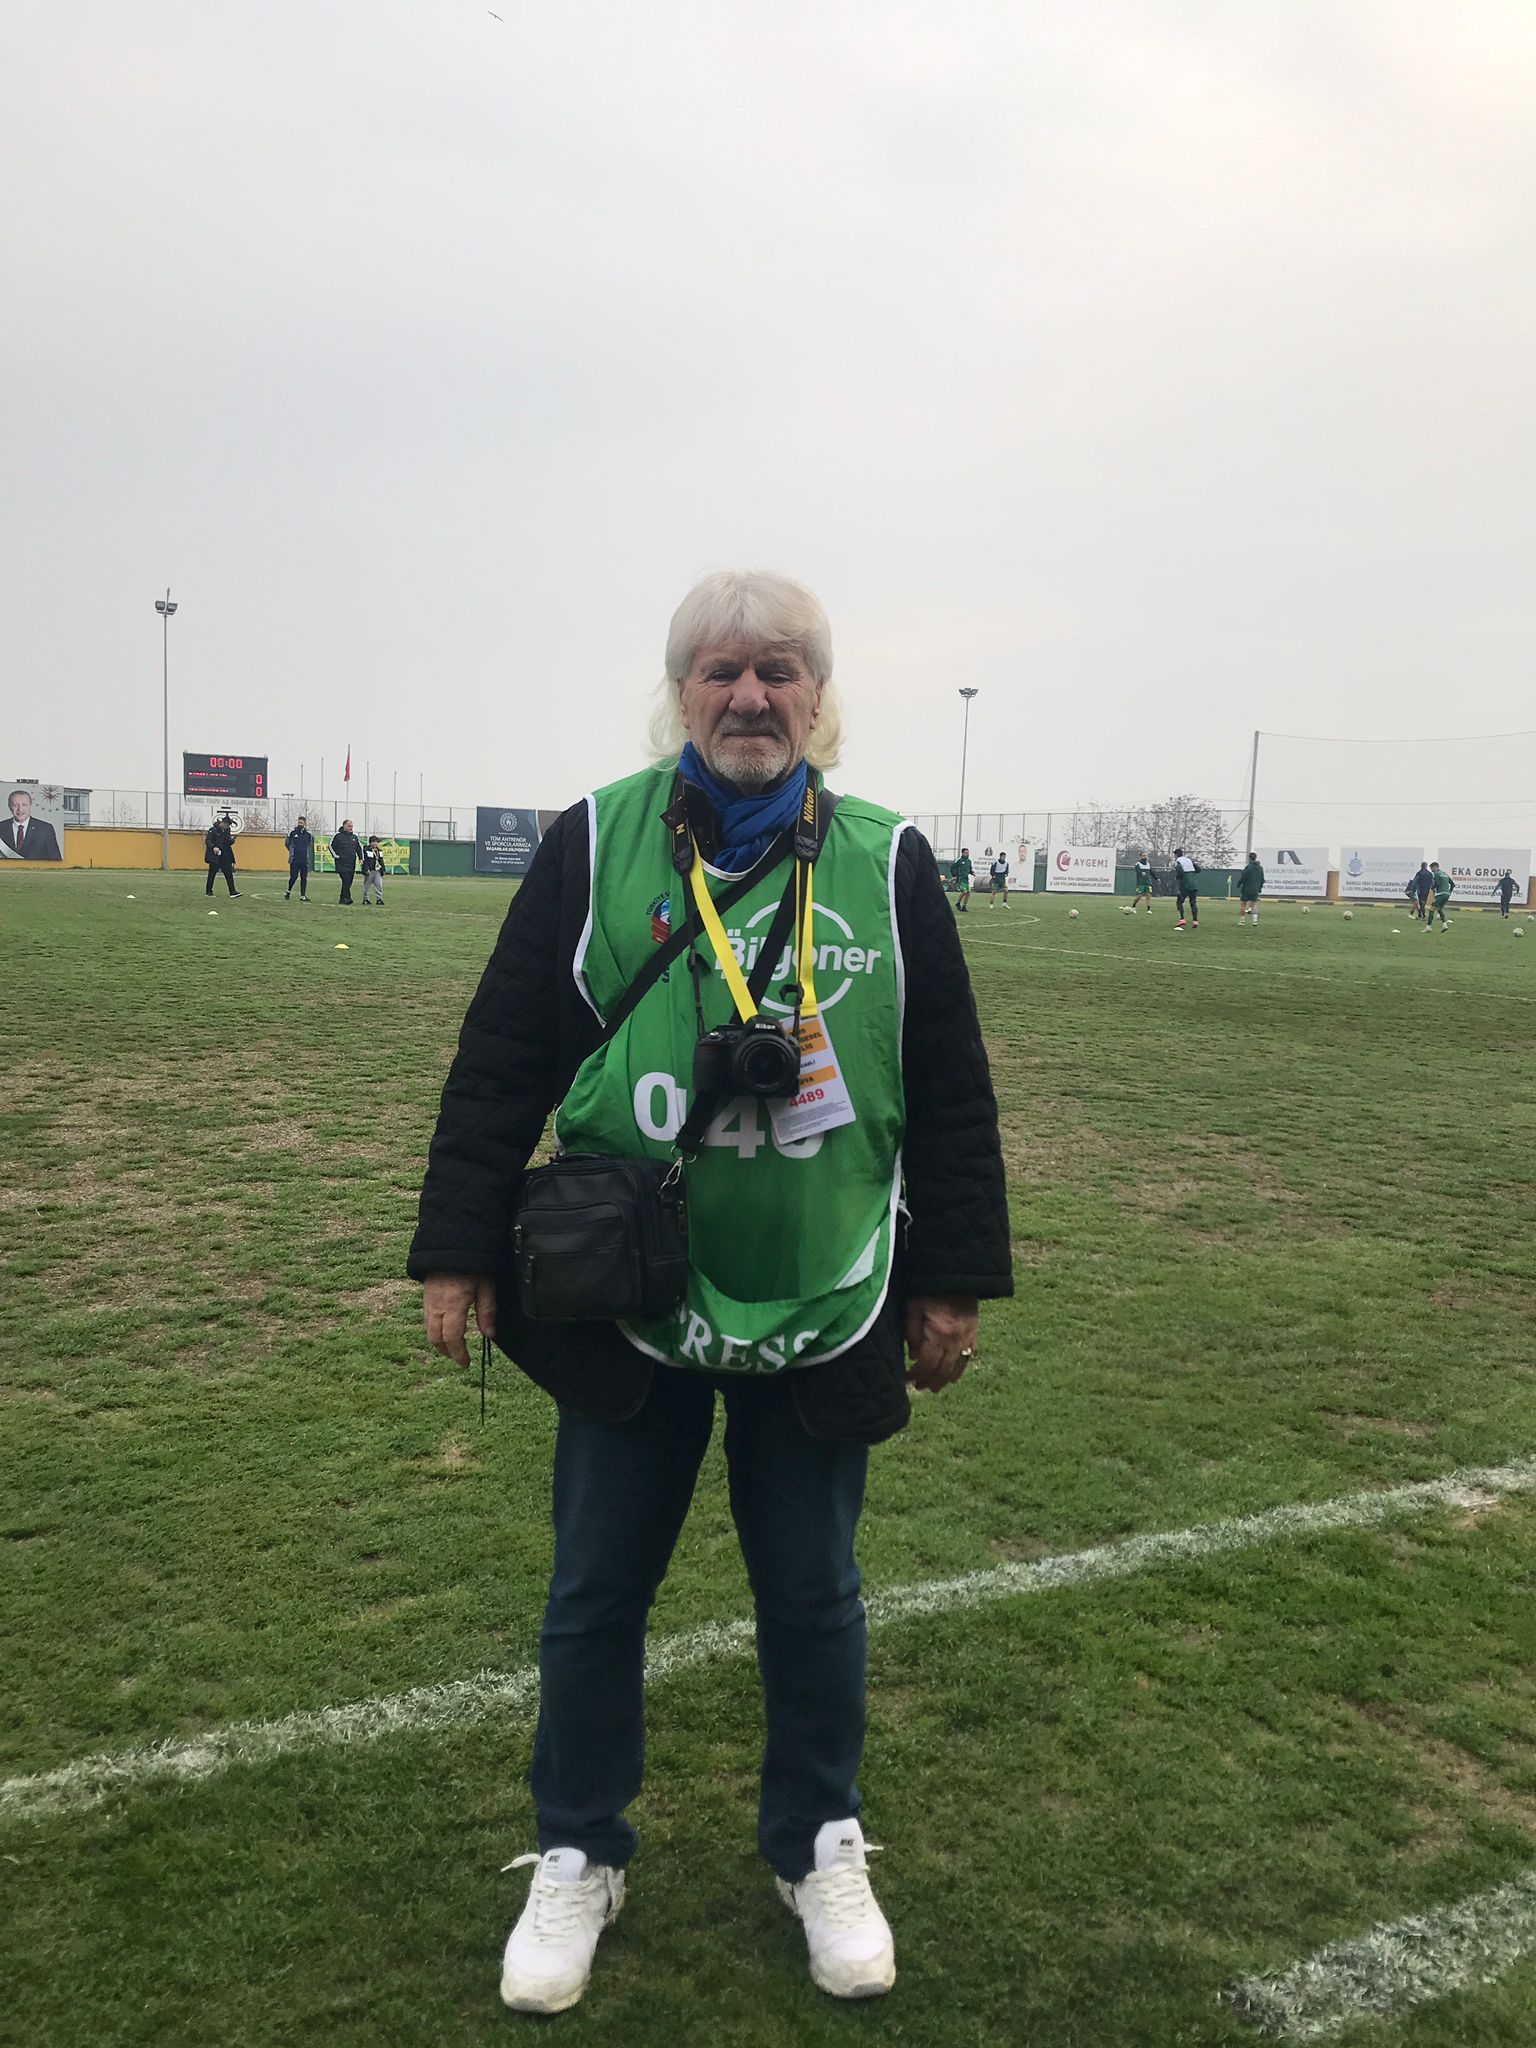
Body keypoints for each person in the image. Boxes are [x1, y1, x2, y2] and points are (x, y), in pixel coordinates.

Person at [409, 570, 1011, 2016]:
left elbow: (948, 1084)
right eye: (723, 670)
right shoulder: (596, 839)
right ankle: (579, 1848)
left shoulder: (886, 858)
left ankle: (818, 1842)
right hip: (631, 1289)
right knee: (595, 1589)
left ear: (820, 697)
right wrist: (457, 1246)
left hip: (825, 1285)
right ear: (682, 692)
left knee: (812, 1590)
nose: (752, 696)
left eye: (780, 670)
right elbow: (501, 1056)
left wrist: (952, 1278)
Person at [0, 788, 63, 861]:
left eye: (24, 805)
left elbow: (55, 859)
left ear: (30, 805)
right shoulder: (1, 827)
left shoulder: (45, 829)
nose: (20, 809)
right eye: (15, 805)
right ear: (9, 806)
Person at [204, 815, 239, 897]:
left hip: (225, 856)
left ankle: (233, 892)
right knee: (212, 874)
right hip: (215, 856)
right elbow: (208, 840)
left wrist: (232, 841)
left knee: (229, 873)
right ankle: (208, 892)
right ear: (222, 823)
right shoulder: (213, 830)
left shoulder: (227, 831)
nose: (227, 827)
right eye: (227, 825)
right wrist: (214, 847)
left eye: (228, 826)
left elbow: (227, 842)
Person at [330, 818, 362, 904]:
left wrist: (360, 858)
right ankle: (347, 898)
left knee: (349, 882)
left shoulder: (354, 837)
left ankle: (342, 898)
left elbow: (358, 848)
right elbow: (331, 846)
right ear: (344, 826)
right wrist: (336, 856)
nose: (351, 828)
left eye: (352, 826)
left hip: (351, 863)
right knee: (346, 880)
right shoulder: (338, 836)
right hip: (341, 863)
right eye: (349, 826)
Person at [285, 816, 314, 901]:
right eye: (299, 822)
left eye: (301, 823)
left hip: (304, 859)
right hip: (295, 859)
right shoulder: (292, 833)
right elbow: (287, 843)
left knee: (304, 878)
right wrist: (291, 851)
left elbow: (308, 845)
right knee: (293, 877)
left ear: (305, 823)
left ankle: (303, 895)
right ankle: (288, 891)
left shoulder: (308, 835)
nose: (300, 824)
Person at [1172, 847, 1200, 928]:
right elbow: (1198, 869)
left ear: (1176, 855)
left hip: (1185, 883)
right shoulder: (1189, 860)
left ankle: (1182, 919)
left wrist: (1177, 877)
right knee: (1193, 902)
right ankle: (1195, 921)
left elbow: (1180, 871)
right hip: (1194, 883)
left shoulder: (1178, 861)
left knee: (1179, 902)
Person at [1237, 852, 1264, 926]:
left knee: (1243, 904)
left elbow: (1243, 877)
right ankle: (1255, 921)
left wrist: (1238, 884)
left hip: (1246, 889)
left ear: (1249, 858)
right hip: (1255, 889)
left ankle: (1242, 921)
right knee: (1253, 905)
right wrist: (1259, 888)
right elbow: (1262, 880)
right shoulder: (1260, 868)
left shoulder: (1248, 867)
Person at [1426, 861, 1454, 932]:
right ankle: (1445, 926)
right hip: (1446, 894)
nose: (1432, 871)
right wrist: (1449, 892)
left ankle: (1428, 927)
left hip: (1440, 894)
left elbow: (1436, 884)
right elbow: (1452, 884)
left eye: (1432, 868)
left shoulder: (1436, 874)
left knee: (1431, 909)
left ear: (1435, 867)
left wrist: (1432, 888)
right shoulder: (1445, 874)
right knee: (1439, 909)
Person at [361, 835, 387, 906]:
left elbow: (381, 861)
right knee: (367, 886)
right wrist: (366, 869)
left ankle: (379, 899)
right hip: (370, 870)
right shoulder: (366, 850)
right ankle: (366, 899)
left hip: (377, 870)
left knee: (379, 885)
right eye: (373, 842)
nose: (375, 843)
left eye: (376, 842)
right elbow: (365, 861)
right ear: (370, 842)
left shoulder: (379, 851)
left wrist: (383, 869)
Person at [951, 845, 974, 912]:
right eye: (966, 852)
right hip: (960, 879)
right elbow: (952, 868)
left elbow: (969, 870)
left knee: (968, 893)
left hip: (966, 879)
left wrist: (972, 873)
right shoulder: (959, 860)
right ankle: (958, 903)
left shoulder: (969, 861)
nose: (967, 854)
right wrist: (954, 875)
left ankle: (964, 906)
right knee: (964, 891)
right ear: (963, 853)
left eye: (968, 852)